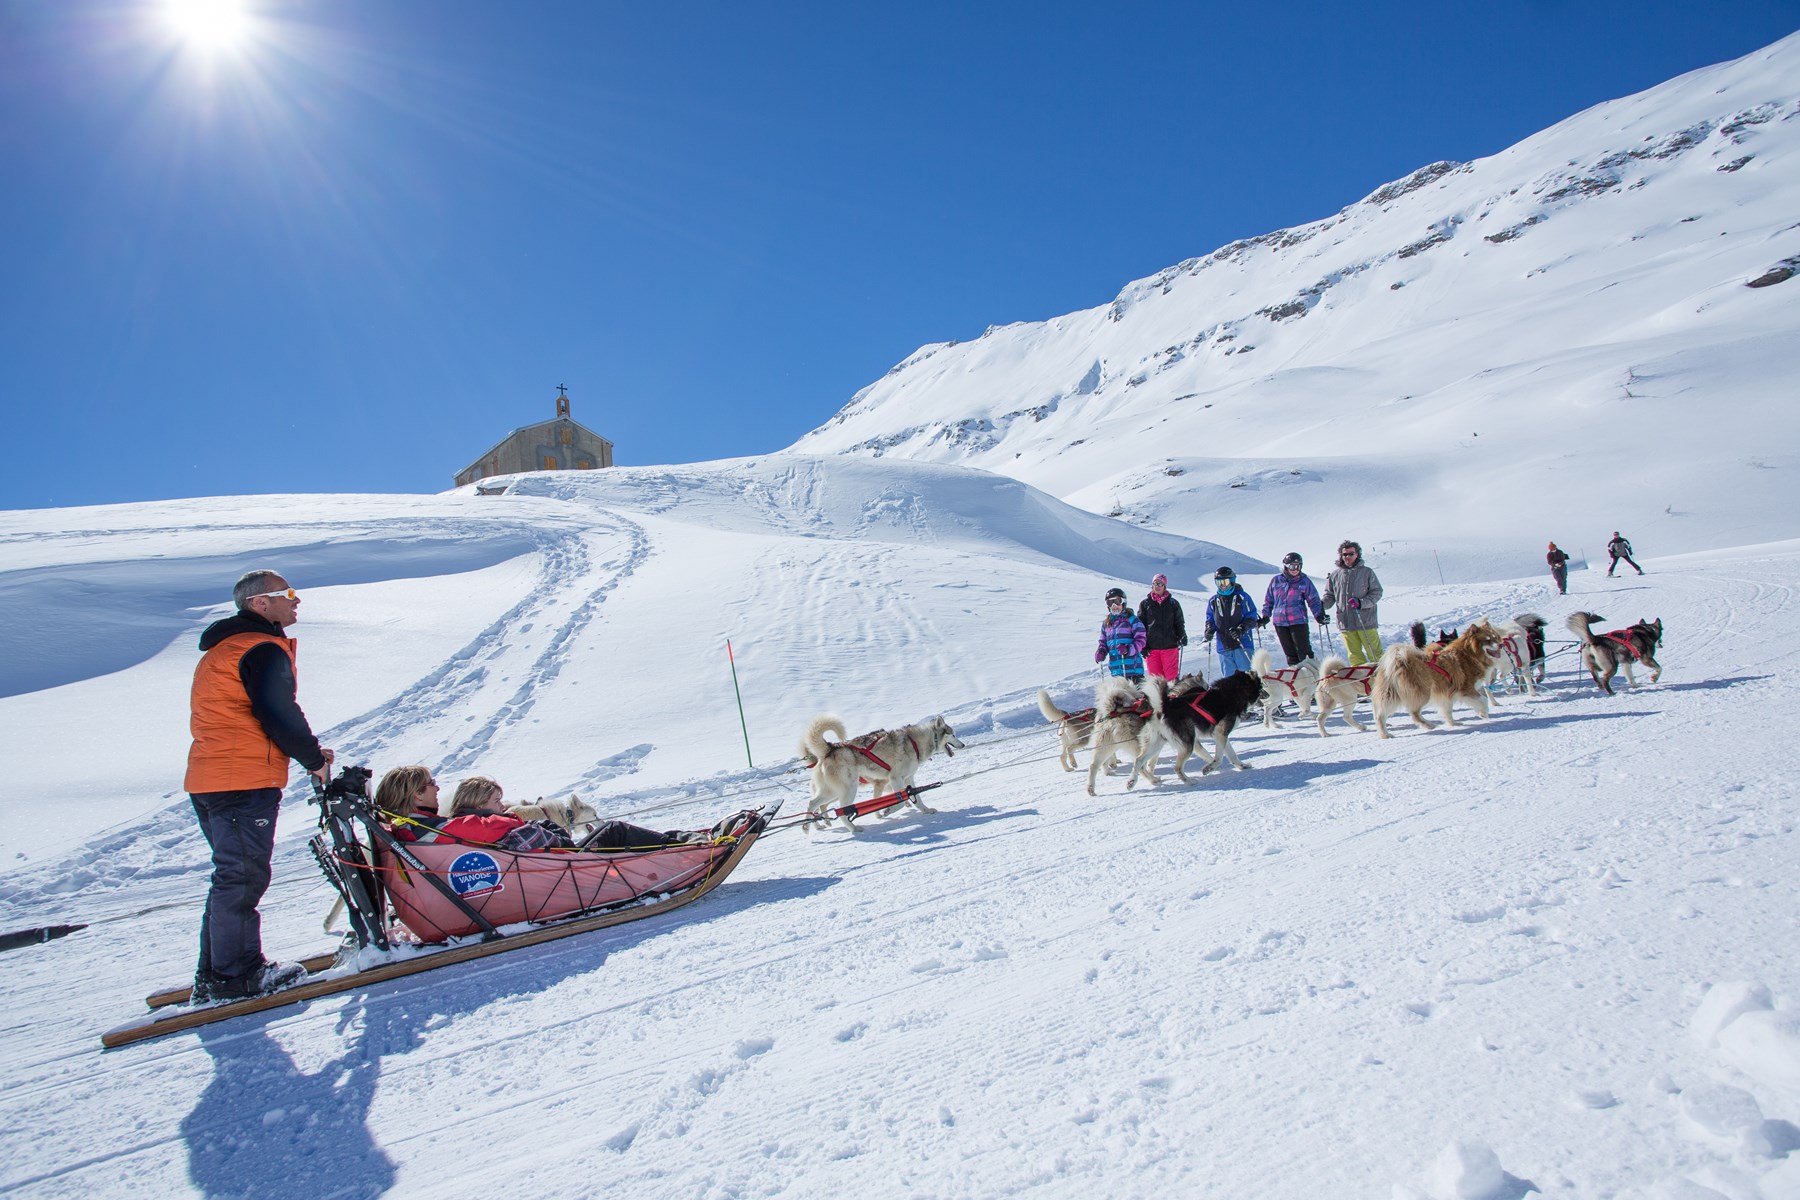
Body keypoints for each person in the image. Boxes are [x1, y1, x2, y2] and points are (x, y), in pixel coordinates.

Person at [185, 569, 335, 1003]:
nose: (296, 600)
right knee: (243, 877)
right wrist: (312, 759)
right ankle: (238, 976)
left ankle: (217, 973)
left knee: (232, 876)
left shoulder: (223, 648)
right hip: (241, 780)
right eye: (287, 593)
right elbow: (277, 711)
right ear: (260, 603)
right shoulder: (260, 647)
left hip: (213, 776)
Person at [437, 777, 739, 852]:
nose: (503, 806)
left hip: (555, 860)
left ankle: (692, 838)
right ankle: (692, 846)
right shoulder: (478, 823)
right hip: (563, 865)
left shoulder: (471, 821)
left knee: (615, 833)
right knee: (617, 830)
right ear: (477, 803)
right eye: (495, 801)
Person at [1321, 540, 1384, 666]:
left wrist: (1361, 603)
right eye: (1345, 554)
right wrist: (1321, 605)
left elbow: (1377, 592)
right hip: (1346, 622)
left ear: (1357, 554)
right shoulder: (1335, 575)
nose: (1347, 557)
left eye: (1351, 554)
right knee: (1354, 656)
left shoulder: (1367, 572)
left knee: (1375, 654)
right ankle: (1361, 683)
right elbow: (1330, 596)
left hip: (1365, 621)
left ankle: (1383, 681)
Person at [1259, 552, 1327, 666]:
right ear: (1285, 566)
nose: (1296, 569)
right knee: (1290, 655)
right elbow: (1269, 600)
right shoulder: (1276, 581)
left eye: (1298, 566)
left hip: (1298, 621)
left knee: (1304, 653)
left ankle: (1312, 675)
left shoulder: (1304, 581)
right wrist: (1265, 616)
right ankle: (1297, 679)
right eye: (1292, 566)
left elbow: (1313, 600)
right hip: (1280, 623)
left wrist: (1319, 615)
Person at [1203, 566, 1260, 677]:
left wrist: (1241, 629)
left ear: (1232, 581)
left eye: (1224, 581)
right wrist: (1209, 629)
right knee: (1229, 680)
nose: (1222, 585)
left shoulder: (1242, 597)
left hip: (1242, 643)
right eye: (1218, 582)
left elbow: (1252, 617)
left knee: (1247, 677)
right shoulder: (1213, 601)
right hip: (1224, 645)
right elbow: (1210, 618)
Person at [1137, 573, 1187, 681]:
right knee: (1156, 681)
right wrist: (1143, 646)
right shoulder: (1145, 604)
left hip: (1170, 646)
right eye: (1155, 583)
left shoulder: (1173, 603)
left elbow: (1179, 622)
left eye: (1160, 584)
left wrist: (1182, 635)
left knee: (1171, 679)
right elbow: (1140, 627)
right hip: (1152, 649)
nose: (1157, 586)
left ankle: (1173, 698)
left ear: (1165, 586)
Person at [1095, 587, 1148, 680]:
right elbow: (1103, 642)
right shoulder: (1106, 624)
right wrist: (1101, 651)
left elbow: (1141, 640)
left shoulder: (1132, 620)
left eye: (1117, 601)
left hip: (1133, 671)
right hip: (1116, 672)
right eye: (1110, 603)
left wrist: (1128, 649)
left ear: (1123, 602)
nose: (1114, 605)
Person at [373, 765, 442, 821]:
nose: (437, 788)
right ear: (418, 793)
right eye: (432, 783)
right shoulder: (430, 829)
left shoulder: (404, 828)